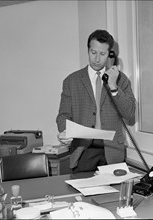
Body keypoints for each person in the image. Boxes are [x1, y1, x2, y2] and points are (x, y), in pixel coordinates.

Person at [56, 29, 136, 173]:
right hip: (83, 151)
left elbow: (130, 113)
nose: (97, 59)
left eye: (102, 54)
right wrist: (65, 131)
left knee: (114, 195)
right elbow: (63, 116)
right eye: (93, 53)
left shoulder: (120, 80)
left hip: (113, 151)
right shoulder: (71, 81)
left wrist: (113, 87)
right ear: (88, 50)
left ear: (110, 54)